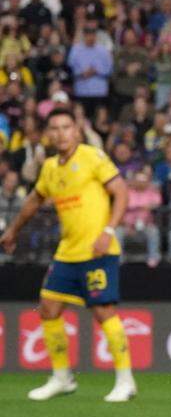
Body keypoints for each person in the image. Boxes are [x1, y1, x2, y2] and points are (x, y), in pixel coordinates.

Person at [0, 108, 137, 402]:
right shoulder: (50, 167)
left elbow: (121, 191)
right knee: (48, 308)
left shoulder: (92, 157)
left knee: (103, 312)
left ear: (76, 130)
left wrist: (109, 231)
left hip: (98, 249)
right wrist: (13, 230)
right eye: (55, 128)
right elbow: (35, 199)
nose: (61, 133)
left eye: (66, 127)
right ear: (48, 134)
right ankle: (62, 377)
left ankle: (125, 380)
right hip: (68, 251)